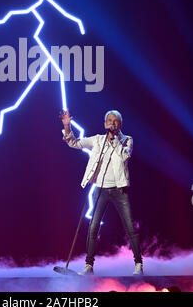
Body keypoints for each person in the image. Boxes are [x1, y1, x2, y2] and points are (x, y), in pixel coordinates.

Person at [59, 108, 143, 276]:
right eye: (109, 120)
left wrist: (115, 139)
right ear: (105, 124)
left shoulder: (127, 140)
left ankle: (139, 265)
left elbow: (124, 156)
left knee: (129, 227)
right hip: (101, 189)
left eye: (116, 121)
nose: (112, 123)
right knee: (93, 227)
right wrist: (67, 126)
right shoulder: (97, 140)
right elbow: (74, 142)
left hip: (120, 189)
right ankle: (89, 266)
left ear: (120, 125)